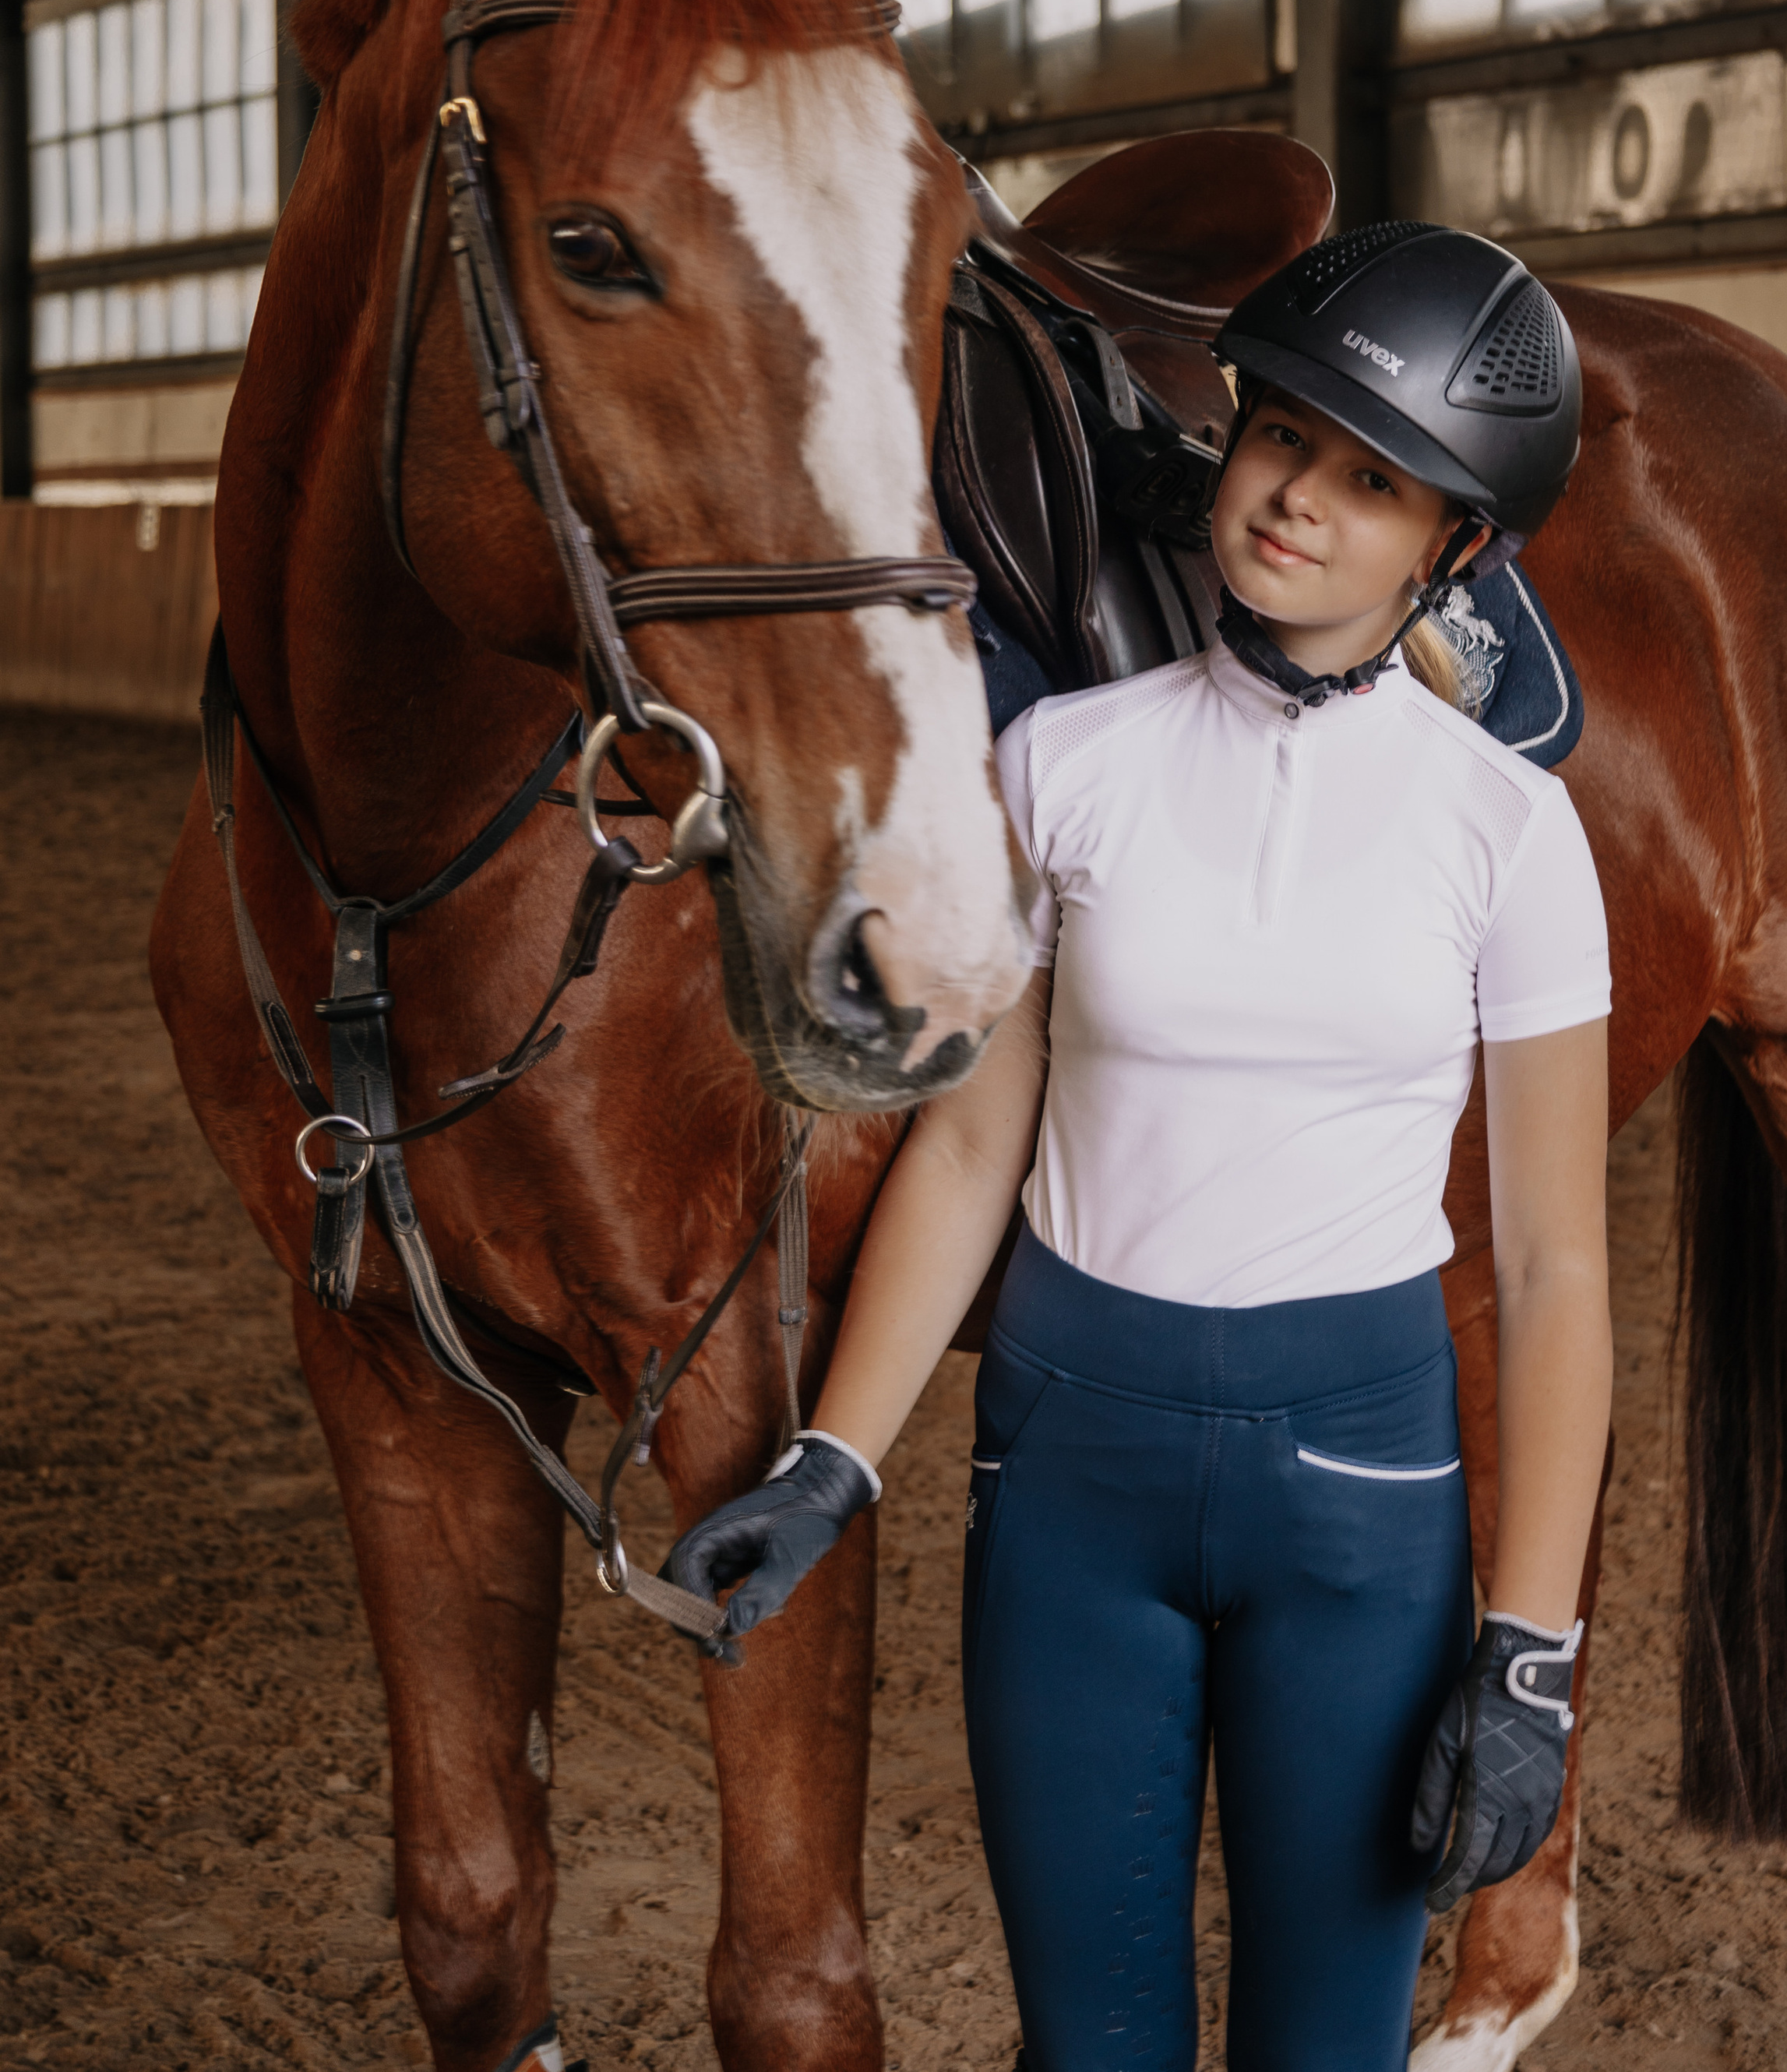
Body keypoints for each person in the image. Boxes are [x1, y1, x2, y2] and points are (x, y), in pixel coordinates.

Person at [666, 222, 1613, 2072]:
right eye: (1283, 442)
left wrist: (1529, 1651)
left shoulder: (1509, 835)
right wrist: (834, 1460)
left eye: (1372, 482)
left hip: (1358, 1498)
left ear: (1452, 548)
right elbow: (965, 1153)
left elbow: (1561, 1263)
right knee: (1083, 2049)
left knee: (1319, 2051)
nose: (1297, 503)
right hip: (1066, 1481)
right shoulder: (1061, 765)